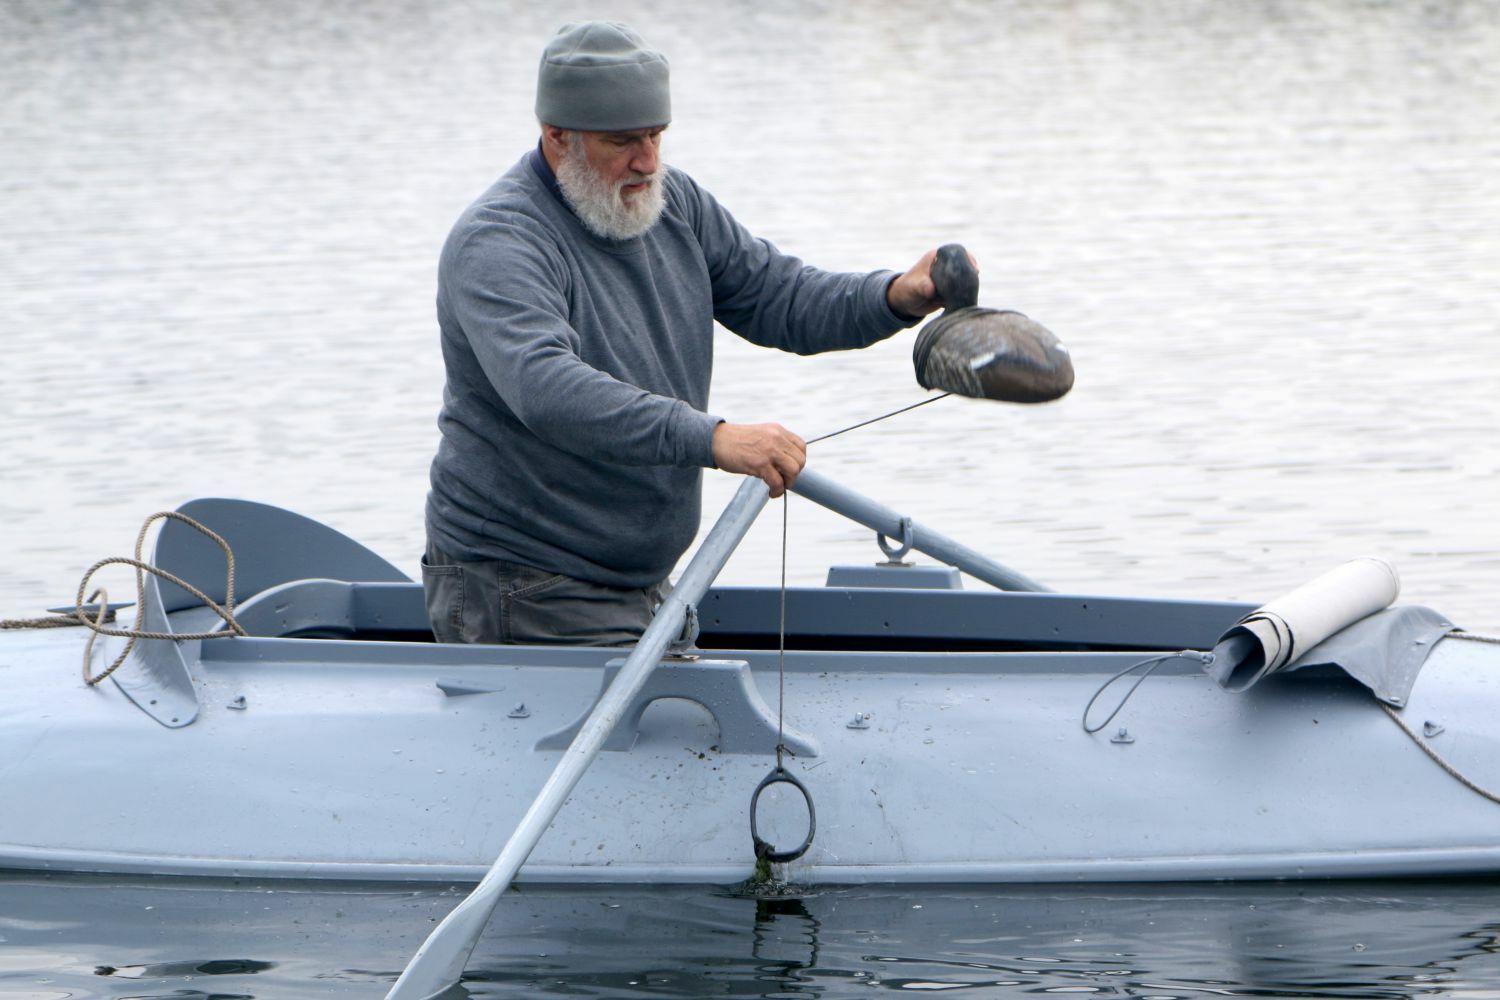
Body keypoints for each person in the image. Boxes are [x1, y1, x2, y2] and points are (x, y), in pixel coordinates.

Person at [423, 20, 952, 646]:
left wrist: (895, 295)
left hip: (641, 583)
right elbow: (546, 389)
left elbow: (776, 295)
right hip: (522, 586)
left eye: (655, 136)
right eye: (622, 141)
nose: (647, 161)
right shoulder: (500, 240)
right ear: (557, 135)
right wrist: (715, 439)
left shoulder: (673, 204)